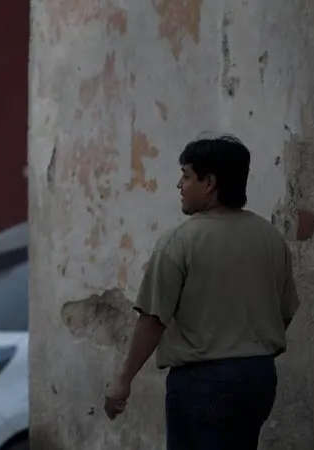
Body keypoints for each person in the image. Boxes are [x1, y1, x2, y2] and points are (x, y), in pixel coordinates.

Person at [104, 134, 300, 450]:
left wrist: (122, 380)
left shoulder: (180, 241)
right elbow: (286, 311)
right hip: (259, 377)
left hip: (203, 383)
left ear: (209, 182)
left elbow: (153, 320)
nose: (179, 185)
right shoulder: (270, 238)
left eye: (186, 176)